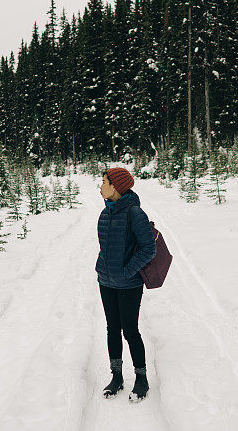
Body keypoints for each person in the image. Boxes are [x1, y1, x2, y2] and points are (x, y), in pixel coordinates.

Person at [96, 167, 157, 402]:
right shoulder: (105, 213)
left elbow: (148, 249)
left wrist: (127, 271)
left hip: (129, 284)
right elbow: (105, 247)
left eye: (103, 182)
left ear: (116, 187)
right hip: (106, 281)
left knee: (130, 331)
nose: (100, 186)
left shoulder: (135, 213)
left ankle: (141, 378)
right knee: (112, 328)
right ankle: (117, 376)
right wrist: (102, 267)